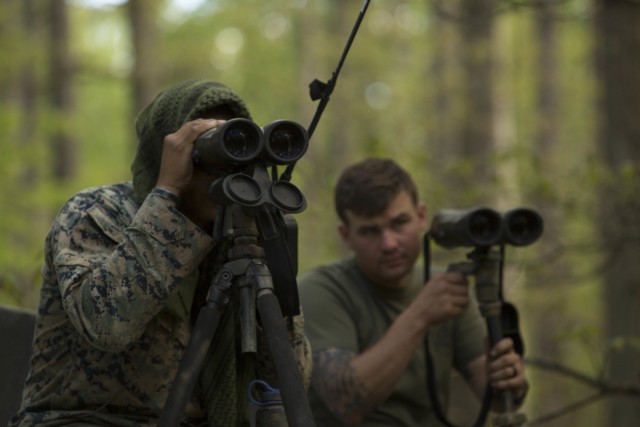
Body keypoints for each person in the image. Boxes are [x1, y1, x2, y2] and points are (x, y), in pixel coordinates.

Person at [10, 79, 311, 427]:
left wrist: (269, 256)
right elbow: (107, 324)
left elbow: (291, 382)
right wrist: (169, 195)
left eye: (238, 147)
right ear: (168, 151)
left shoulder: (239, 236)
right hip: (85, 418)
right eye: (212, 148)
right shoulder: (97, 212)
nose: (229, 167)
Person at [298, 157, 529, 426]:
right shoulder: (320, 291)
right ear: (346, 236)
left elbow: (497, 397)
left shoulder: (446, 288)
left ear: (421, 217)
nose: (389, 244)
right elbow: (347, 402)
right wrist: (420, 316)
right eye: (370, 231)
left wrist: (510, 380)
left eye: (399, 224)